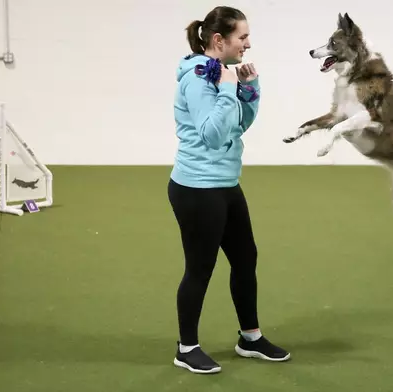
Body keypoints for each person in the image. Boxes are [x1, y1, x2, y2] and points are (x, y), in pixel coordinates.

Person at [168, 6, 290, 374]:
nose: (248, 44)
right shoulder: (196, 78)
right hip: (196, 188)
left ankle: (249, 337)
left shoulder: (223, 76)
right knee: (200, 268)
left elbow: (238, 126)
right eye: (243, 37)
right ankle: (186, 347)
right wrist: (225, 89)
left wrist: (248, 88)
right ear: (219, 40)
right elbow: (212, 134)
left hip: (225, 184)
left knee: (245, 258)